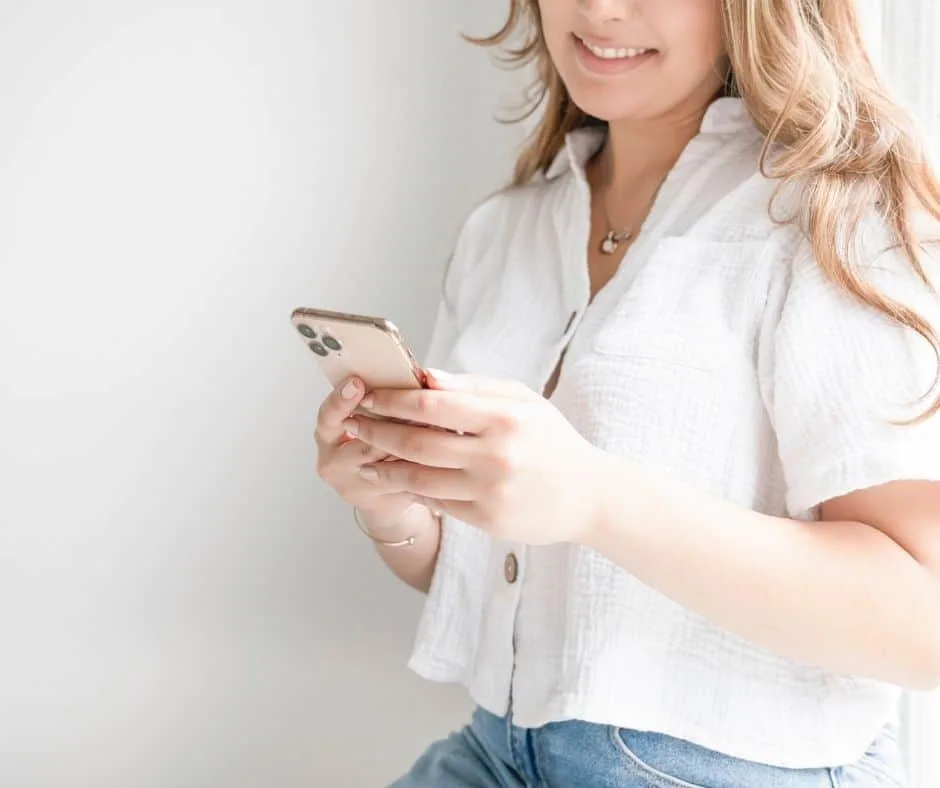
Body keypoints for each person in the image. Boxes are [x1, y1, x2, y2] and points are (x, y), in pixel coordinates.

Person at [314, 1, 940, 785]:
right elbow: (513, 580)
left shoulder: (833, 217)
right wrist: (394, 503)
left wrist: (596, 499)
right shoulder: (507, 229)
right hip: (497, 750)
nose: (601, 9)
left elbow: (923, 620)